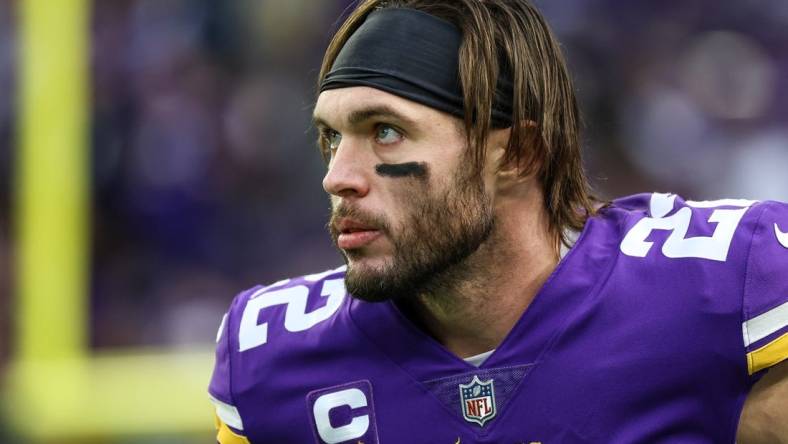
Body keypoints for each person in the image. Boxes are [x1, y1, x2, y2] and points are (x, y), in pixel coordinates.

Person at [208, 1, 788, 442]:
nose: (338, 176)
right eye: (332, 137)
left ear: (516, 155)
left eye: (386, 131)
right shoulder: (271, 359)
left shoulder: (730, 282)